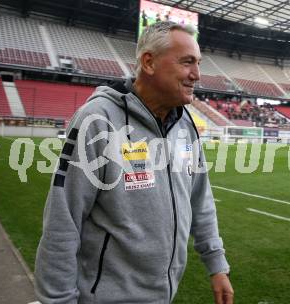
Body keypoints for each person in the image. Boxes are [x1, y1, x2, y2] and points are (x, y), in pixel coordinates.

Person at [35, 21, 233, 304]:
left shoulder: (186, 124)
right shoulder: (97, 120)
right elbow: (63, 219)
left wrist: (217, 265)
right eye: (187, 62)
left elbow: (200, 200)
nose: (197, 75)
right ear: (149, 63)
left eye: (198, 63)